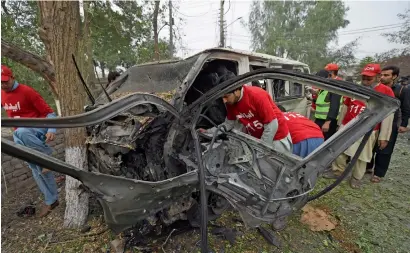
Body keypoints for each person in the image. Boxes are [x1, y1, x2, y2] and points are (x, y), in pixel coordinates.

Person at [1, 65, 59, 217]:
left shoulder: (27, 91)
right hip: (21, 136)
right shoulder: (1, 94)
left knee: (21, 131)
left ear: (12, 77)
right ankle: (51, 200)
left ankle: (46, 157)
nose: (3, 85)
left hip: (36, 131)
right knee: (36, 169)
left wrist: (52, 130)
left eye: (5, 81)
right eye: (0, 82)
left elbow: (50, 113)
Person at [326, 64, 395, 189]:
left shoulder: (386, 91)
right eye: (364, 78)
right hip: (348, 125)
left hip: (368, 128)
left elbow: (388, 115)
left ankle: (356, 178)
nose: (366, 81)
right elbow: (346, 105)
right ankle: (337, 171)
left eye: (369, 78)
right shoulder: (356, 87)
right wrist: (339, 125)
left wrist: (384, 136)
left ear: (378, 77)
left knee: (362, 156)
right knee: (339, 150)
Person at [200, 80, 293, 153]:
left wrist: (260, 148)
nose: (224, 101)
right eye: (222, 98)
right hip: (259, 139)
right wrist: (208, 132)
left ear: (236, 91)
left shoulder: (257, 95)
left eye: (226, 97)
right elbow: (228, 123)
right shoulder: (231, 102)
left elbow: (272, 125)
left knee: (275, 173)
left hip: (276, 138)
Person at [367, 66, 410, 183]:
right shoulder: (376, 87)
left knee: (385, 148)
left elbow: (406, 108)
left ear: (394, 76)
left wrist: (403, 124)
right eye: (381, 75)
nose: (382, 77)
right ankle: (368, 166)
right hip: (375, 120)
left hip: (391, 123)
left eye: (386, 75)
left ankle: (378, 173)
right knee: (370, 144)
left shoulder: (402, 90)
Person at [314, 66, 343, 140]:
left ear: (330, 76)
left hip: (327, 121)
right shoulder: (325, 87)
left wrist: (327, 122)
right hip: (320, 119)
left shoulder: (335, 88)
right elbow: (323, 101)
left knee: (325, 141)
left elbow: (334, 106)